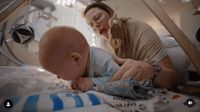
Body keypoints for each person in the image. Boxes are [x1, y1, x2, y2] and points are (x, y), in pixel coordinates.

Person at [83, 2, 182, 89]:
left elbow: (174, 79)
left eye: (97, 17)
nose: (95, 25)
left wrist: (151, 71)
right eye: (91, 25)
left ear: (111, 13)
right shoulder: (103, 45)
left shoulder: (140, 29)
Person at [39, 26, 119, 91]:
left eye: (58, 73)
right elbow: (75, 73)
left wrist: (92, 81)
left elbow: (119, 77)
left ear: (76, 59)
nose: (58, 77)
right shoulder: (80, 66)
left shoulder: (101, 61)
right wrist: (73, 82)